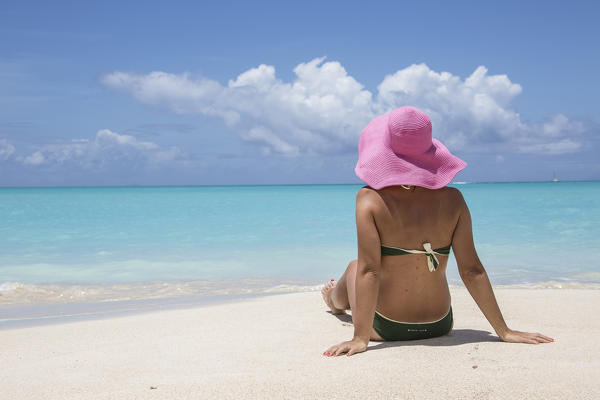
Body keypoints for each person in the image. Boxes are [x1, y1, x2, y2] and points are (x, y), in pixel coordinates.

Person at [321, 106, 553, 357]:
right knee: (360, 268)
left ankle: (333, 301)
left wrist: (360, 338)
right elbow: (472, 270)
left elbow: (370, 271)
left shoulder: (369, 200)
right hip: (439, 323)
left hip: (385, 326)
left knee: (356, 266)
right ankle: (334, 298)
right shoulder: (454, 200)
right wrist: (503, 331)